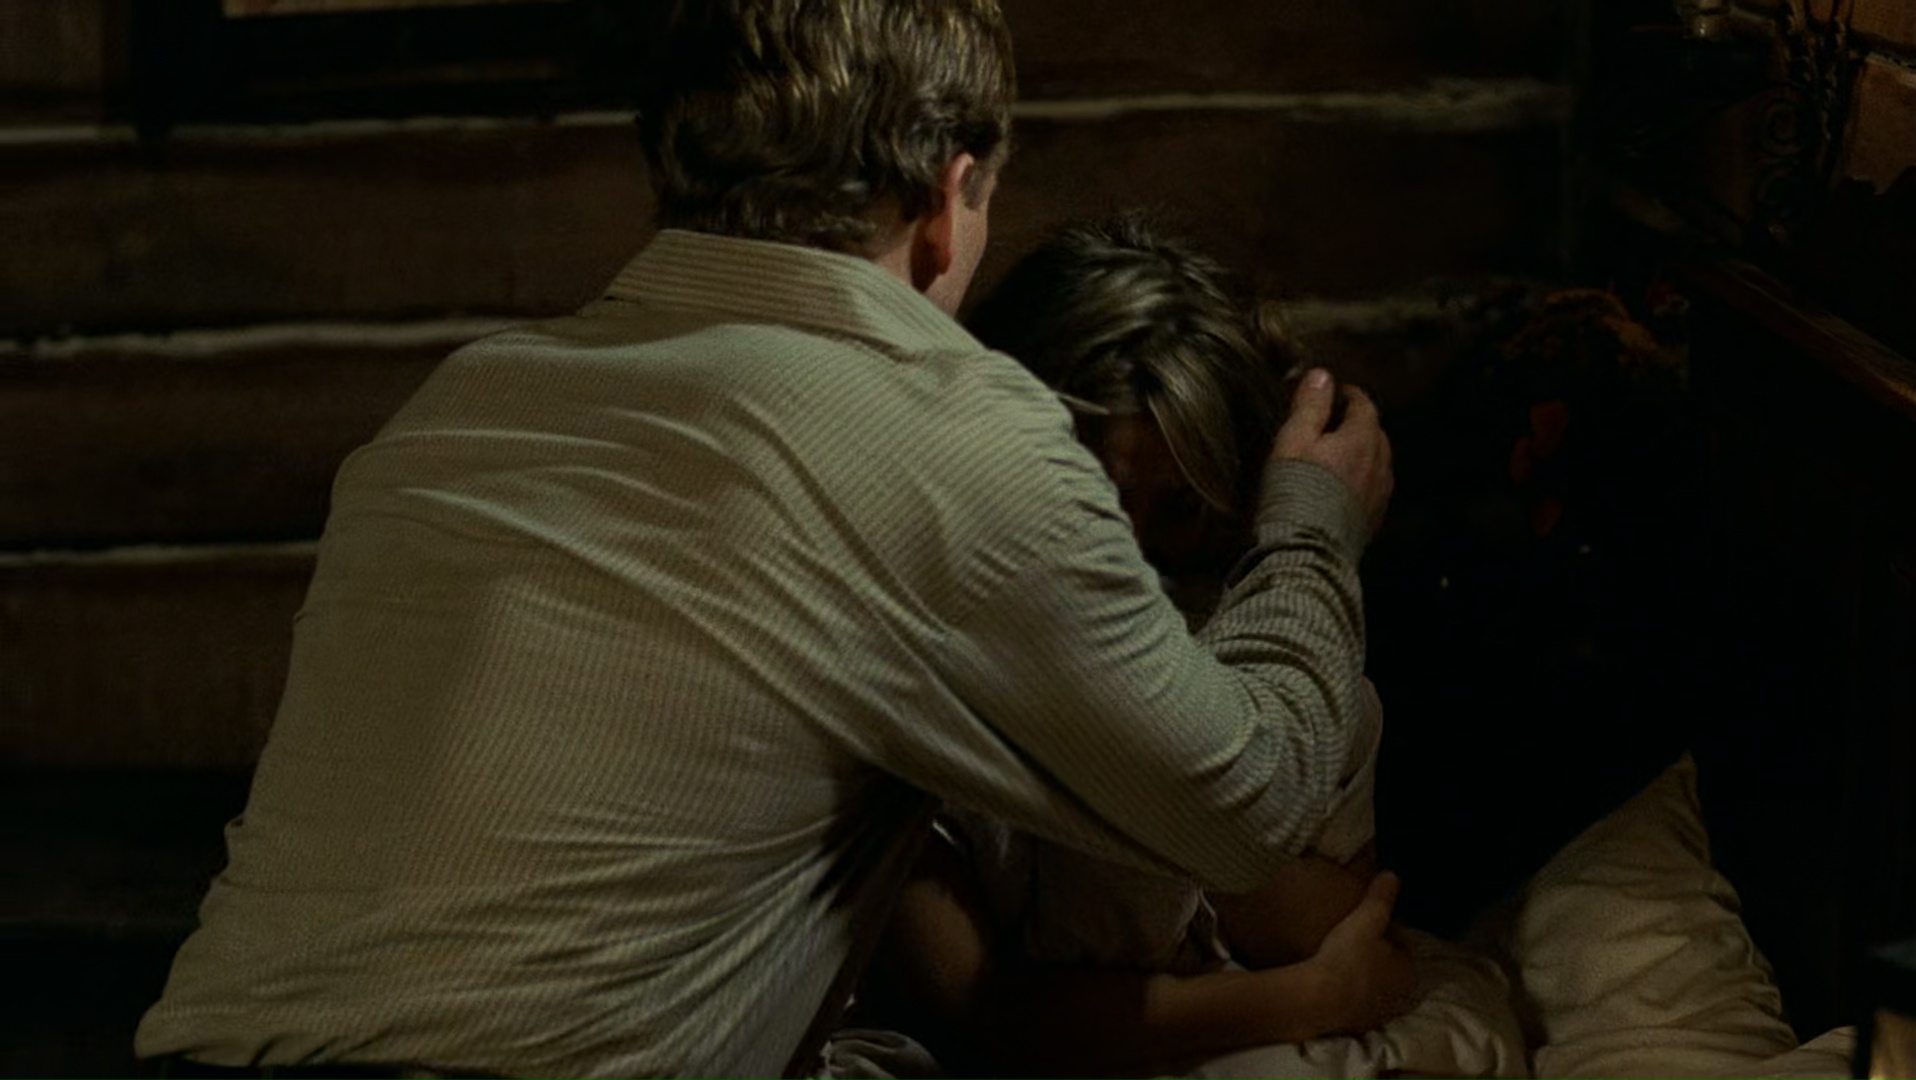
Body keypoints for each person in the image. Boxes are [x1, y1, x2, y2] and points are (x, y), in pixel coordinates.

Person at [134, 3, 1395, 1078]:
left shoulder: (464, 398)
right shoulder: (946, 430)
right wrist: (1307, 525)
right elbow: (1246, 805)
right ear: (949, 199)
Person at [835, 217, 1408, 1079]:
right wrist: (1314, 994)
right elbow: (981, 1010)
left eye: (1177, 511)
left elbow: (1332, 918)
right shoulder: (916, 671)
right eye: (1094, 504)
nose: (1129, 559)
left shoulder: (1277, 655)